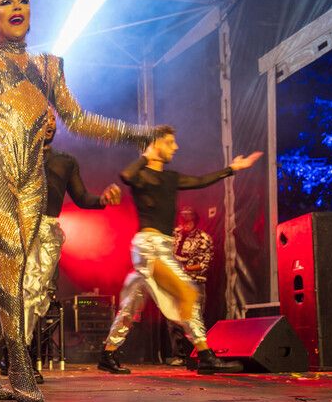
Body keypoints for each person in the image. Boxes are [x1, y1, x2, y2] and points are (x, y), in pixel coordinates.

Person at [0, 0, 155, 402]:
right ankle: (20, 362)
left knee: (10, 270)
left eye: (23, 1)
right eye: (6, 2)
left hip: (33, 175)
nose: (17, 6)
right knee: (9, 259)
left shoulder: (50, 66)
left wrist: (133, 132)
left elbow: (78, 119)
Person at [97, 125, 262, 375]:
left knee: (131, 306)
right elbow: (126, 175)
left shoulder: (171, 178)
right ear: (156, 145)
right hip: (150, 248)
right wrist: (146, 155)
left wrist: (232, 169)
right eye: (170, 142)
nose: (176, 147)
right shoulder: (140, 176)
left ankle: (107, 354)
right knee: (187, 293)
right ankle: (205, 355)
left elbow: (199, 181)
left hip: (160, 246)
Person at [11, 108, 122, 383]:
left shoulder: (65, 161)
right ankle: (19, 357)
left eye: (52, 119)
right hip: (20, 227)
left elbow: (82, 197)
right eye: (43, 117)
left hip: (48, 229)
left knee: (41, 294)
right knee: (25, 291)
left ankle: (17, 354)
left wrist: (103, 200)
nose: (49, 123)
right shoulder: (17, 153)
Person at [166, 206, 212, 366]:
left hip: (194, 283)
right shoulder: (174, 235)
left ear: (195, 220)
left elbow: (204, 264)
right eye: (182, 219)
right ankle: (179, 356)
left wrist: (183, 268)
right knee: (173, 320)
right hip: (176, 283)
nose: (184, 223)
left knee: (194, 319)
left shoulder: (203, 238)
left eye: (188, 220)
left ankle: (200, 356)